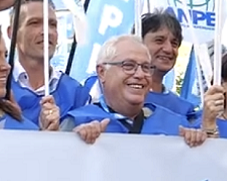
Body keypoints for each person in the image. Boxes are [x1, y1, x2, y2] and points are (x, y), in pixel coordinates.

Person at [60, 35, 212, 146]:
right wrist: (73, 145)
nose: (140, 75)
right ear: (102, 72)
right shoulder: (77, 122)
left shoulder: (176, 125)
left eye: (146, 67)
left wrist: (197, 144)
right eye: (128, 65)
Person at [139, 11, 201, 125]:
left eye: (174, 43)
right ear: (138, 43)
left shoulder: (184, 109)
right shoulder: (117, 99)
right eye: (159, 40)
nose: (168, 49)